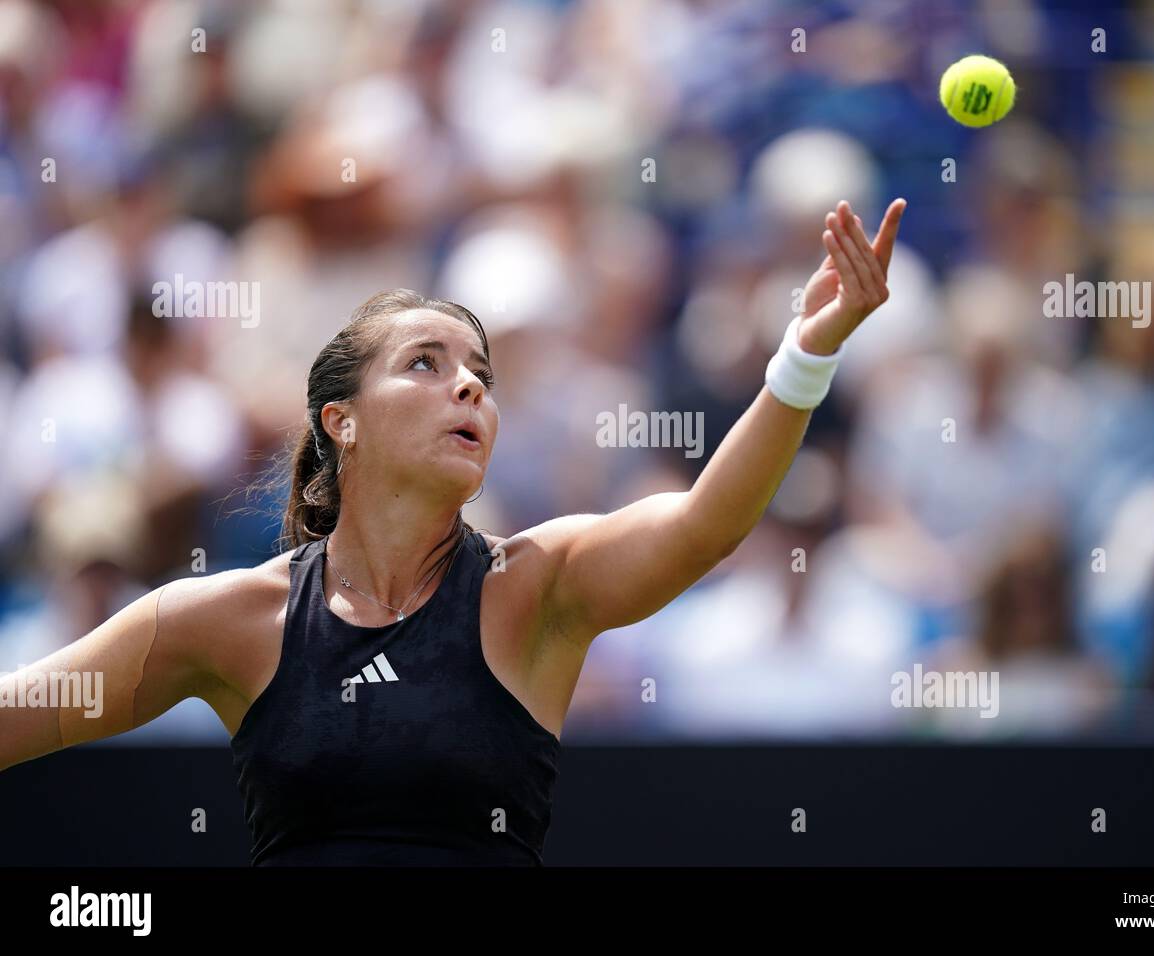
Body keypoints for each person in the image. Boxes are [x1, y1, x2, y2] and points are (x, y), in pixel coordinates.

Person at [0, 198, 907, 865]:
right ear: (340, 421)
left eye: (481, 373)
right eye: (425, 365)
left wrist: (807, 351)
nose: (469, 386)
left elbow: (707, 524)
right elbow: (19, 715)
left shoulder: (538, 586)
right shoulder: (224, 618)